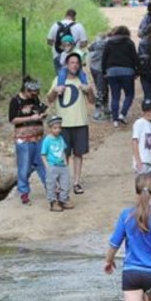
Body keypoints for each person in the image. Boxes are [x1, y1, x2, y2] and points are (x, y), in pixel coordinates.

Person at [48, 53, 94, 196]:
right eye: (71, 62)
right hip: (63, 124)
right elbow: (49, 99)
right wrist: (55, 91)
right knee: (64, 155)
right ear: (66, 65)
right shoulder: (58, 80)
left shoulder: (83, 80)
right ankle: (64, 181)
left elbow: (92, 101)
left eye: (76, 63)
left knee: (78, 153)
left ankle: (76, 182)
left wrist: (89, 90)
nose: (74, 65)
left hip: (80, 121)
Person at [9, 77, 48, 205]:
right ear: (26, 90)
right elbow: (13, 119)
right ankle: (24, 193)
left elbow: (39, 109)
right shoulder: (15, 101)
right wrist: (31, 117)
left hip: (38, 137)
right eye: (32, 92)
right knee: (24, 167)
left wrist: (42, 115)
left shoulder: (35, 99)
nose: (35, 94)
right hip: (23, 139)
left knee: (43, 165)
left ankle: (51, 188)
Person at [102, 25, 139, 127]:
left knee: (115, 96)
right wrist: (137, 71)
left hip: (111, 71)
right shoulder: (129, 43)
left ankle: (115, 120)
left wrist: (104, 71)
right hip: (127, 71)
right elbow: (135, 57)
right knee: (129, 94)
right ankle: (122, 114)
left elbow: (104, 58)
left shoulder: (109, 42)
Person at [41, 116, 74, 212]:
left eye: (59, 128)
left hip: (62, 165)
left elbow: (63, 151)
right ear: (50, 128)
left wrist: (65, 163)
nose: (58, 130)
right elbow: (43, 154)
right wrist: (47, 166)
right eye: (55, 128)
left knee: (66, 183)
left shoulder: (60, 138)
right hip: (52, 165)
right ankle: (53, 202)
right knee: (51, 184)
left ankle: (63, 199)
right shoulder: (47, 140)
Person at [47, 9, 88, 74]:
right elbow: (84, 43)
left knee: (60, 77)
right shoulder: (79, 26)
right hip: (74, 56)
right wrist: (75, 46)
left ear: (65, 15)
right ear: (74, 17)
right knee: (74, 77)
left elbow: (49, 41)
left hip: (57, 55)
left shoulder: (55, 25)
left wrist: (60, 46)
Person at [132, 99, 151, 175]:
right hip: (143, 161)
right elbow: (135, 141)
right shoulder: (139, 123)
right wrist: (138, 161)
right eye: (147, 110)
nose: (150, 113)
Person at [88, 32, 110, 121]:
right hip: (102, 69)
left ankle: (105, 108)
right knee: (102, 90)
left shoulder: (95, 44)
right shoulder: (108, 44)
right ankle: (98, 110)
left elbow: (89, 48)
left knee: (100, 88)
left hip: (93, 67)